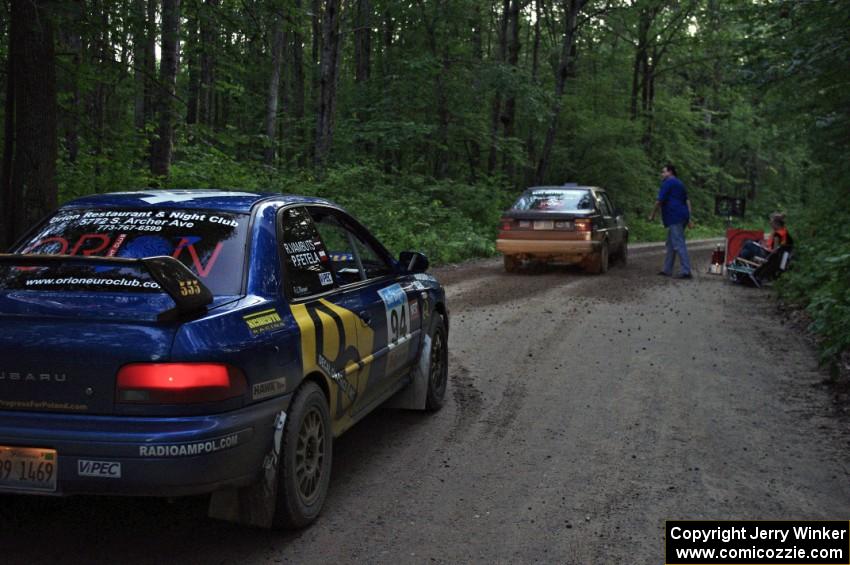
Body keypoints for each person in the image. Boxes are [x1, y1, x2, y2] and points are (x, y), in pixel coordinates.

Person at [648, 164, 693, 279]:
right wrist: (689, 218)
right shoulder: (680, 183)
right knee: (671, 243)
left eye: (664, 172)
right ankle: (667, 269)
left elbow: (659, 201)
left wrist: (652, 214)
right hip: (682, 216)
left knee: (678, 243)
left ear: (670, 172)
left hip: (675, 216)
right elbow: (687, 201)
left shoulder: (668, 183)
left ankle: (686, 271)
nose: (662, 174)